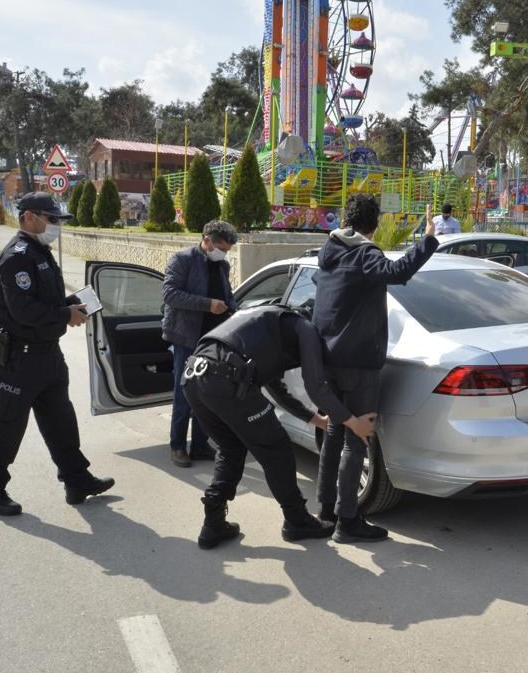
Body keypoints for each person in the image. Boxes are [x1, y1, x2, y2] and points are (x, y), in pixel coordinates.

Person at [182, 304, 378, 549]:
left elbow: (276, 388)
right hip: (225, 379)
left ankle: (213, 523)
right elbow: (315, 386)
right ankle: (297, 520)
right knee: (276, 448)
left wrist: (315, 419)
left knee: (230, 449)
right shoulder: (304, 327)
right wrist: (352, 422)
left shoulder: (264, 321)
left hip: (192, 376)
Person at [0, 192, 114, 516]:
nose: (55, 226)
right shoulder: (17, 257)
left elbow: (45, 301)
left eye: (56, 220)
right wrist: (66, 316)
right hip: (20, 360)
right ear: (29, 217)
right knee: (6, 427)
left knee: (61, 422)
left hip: (48, 356)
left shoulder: (40, 252)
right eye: (50, 219)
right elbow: (22, 310)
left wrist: (69, 305)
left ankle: (77, 480)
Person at [312, 193, 438, 543]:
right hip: (358, 363)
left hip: (329, 358)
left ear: (345, 220)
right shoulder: (365, 253)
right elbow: (397, 273)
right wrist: (427, 239)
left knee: (335, 435)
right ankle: (347, 521)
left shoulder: (329, 254)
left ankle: (326, 511)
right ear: (376, 223)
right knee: (358, 437)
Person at [162, 220, 239, 468]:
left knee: (206, 395)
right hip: (186, 337)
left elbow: (227, 296)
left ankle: (199, 444)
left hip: (211, 340)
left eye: (227, 250)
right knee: (184, 393)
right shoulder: (182, 259)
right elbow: (170, 294)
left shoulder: (221, 265)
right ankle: (177, 446)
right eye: (221, 248)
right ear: (206, 240)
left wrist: (235, 312)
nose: (223, 253)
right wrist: (207, 304)